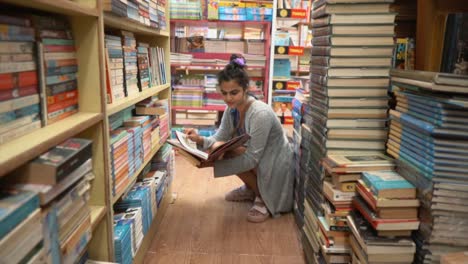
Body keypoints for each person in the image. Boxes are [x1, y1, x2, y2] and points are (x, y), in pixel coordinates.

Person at [185, 54, 294, 223]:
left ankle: (263, 196)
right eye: (224, 93)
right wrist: (199, 140)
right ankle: (253, 189)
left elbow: (252, 159)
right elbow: (219, 137)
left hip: (274, 162)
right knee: (223, 148)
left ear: (245, 89)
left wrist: (214, 164)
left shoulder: (260, 113)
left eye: (234, 93)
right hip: (260, 157)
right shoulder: (232, 109)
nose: (228, 98)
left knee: (228, 152)